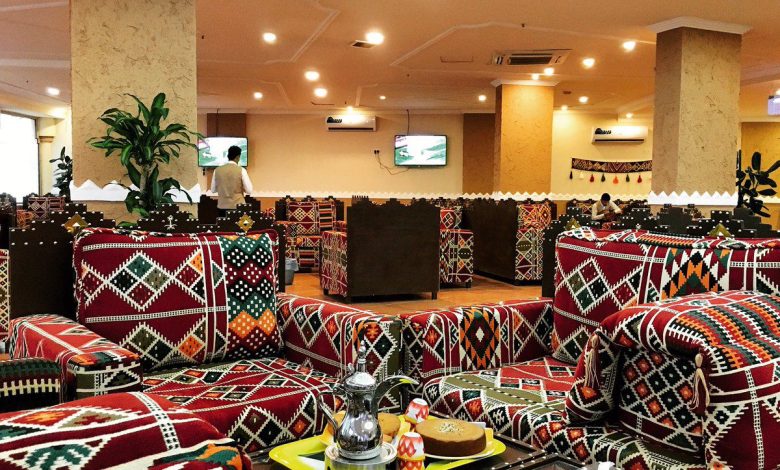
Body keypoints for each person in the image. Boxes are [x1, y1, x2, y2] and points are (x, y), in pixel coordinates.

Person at [210, 145, 253, 216]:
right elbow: (249, 190)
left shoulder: (216, 170)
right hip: (238, 207)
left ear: (228, 156)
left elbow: (213, 190)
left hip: (222, 207)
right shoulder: (242, 170)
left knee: (224, 223)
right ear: (238, 157)